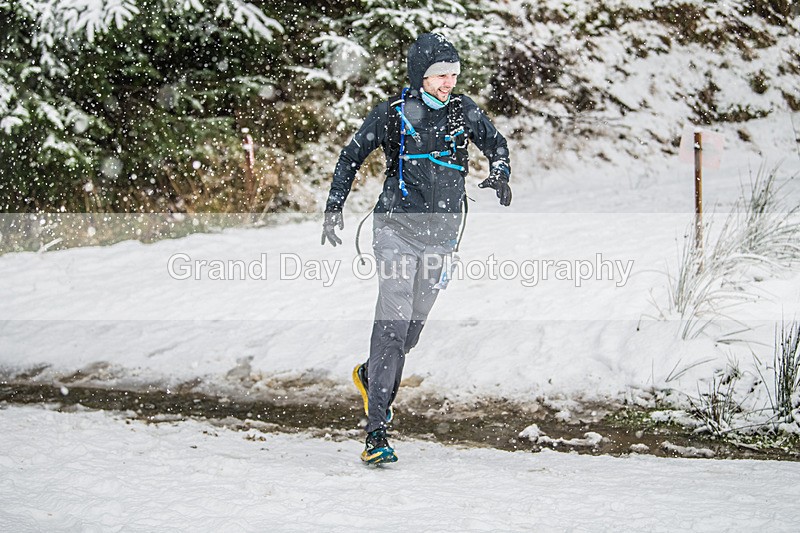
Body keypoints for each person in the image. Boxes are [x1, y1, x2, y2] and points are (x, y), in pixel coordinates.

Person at [321, 33, 512, 465]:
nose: (450, 82)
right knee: (393, 321)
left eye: (454, 74)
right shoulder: (393, 113)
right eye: (442, 74)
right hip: (394, 229)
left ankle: (373, 376)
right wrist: (335, 206)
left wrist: (500, 170)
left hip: (442, 237)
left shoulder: (463, 111)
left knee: (411, 331)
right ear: (421, 76)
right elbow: (351, 155)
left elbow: (496, 143)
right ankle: (376, 432)